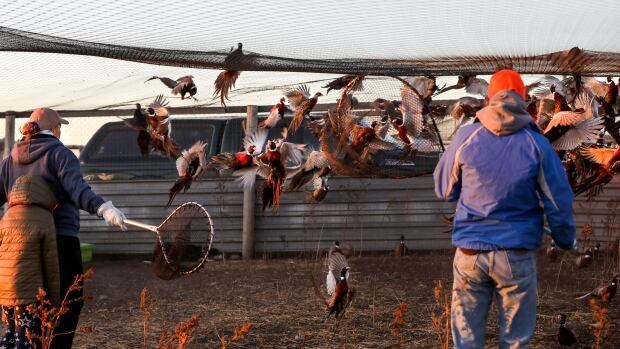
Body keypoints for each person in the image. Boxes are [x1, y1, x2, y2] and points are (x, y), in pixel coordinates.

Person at [433, 70, 576, 348]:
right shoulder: (537, 144)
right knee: (515, 341)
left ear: (489, 98)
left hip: (470, 255)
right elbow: (558, 200)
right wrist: (565, 238)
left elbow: (444, 190)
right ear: (523, 100)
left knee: (467, 340)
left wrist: (471, 190)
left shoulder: (466, 137)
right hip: (516, 256)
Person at [0, 108, 127, 349]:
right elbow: (77, 189)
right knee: (69, 302)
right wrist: (103, 208)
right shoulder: (59, 154)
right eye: (60, 127)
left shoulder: (9, 161)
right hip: (59, 240)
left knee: (30, 304)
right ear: (55, 129)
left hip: (17, 246)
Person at [0, 175, 61, 349]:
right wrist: (54, 305)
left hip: (4, 288)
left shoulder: (8, 215)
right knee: (24, 337)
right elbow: (51, 267)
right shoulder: (45, 218)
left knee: (10, 332)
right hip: (26, 292)